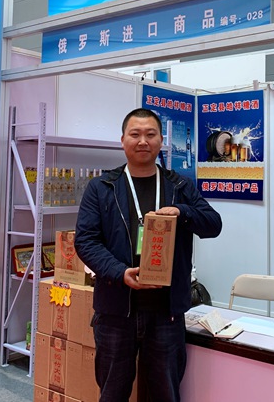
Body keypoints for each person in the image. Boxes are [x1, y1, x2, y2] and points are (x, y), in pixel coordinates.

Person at [75, 108, 222, 402]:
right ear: (123, 140)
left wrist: (183, 212)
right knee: (112, 393)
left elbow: (213, 225)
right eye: (135, 134)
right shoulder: (101, 187)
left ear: (161, 141)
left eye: (150, 134)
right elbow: (86, 241)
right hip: (116, 311)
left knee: (165, 393)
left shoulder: (180, 186)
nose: (143, 141)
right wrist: (119, 272)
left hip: (166, 313)